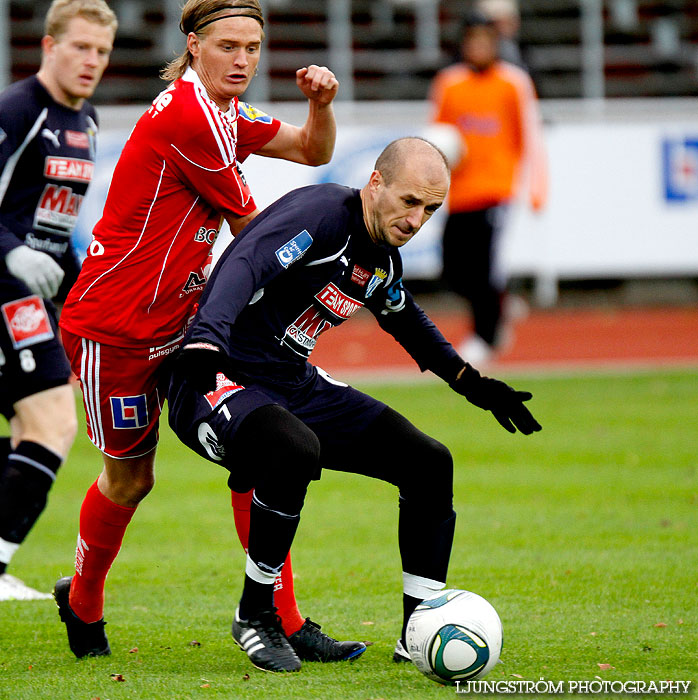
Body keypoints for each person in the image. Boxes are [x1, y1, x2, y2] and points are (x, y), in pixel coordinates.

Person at [53, 0, 362, 663]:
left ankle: (283, 618)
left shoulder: (225, 113)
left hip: (188, 326)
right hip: (119, 329)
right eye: (228, 46)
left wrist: (322, 104)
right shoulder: (192, 117)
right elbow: (253, 232)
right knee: (131, 481)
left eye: (252, 47)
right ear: (193, 46)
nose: (243, 60)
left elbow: (313, 150)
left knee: (260, 450)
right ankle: (81, 601)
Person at [166, 137, 542, 673]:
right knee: (294, 448)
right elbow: (247, 260)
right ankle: (255, 615)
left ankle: (419, 628)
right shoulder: (321, 216)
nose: (417, 220)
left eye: (430, 210)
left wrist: (471, 382)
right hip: (214, 377)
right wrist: (207, 337)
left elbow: (405, 317)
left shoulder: (381, 259)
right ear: (376, 183)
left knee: (429, 463)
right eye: (409, 201)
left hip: (291, 385)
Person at [0, 0, 116, 602]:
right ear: (48, 47)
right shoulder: (16, 111)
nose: (91, 61)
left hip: (36, 295)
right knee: (52, 423)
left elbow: (56, 225)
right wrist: (12, 252)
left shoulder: (87, 121)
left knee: (34, 430)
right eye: (79, 47)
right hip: (4, 289)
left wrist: (87, 292)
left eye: (101, 50)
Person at [430, 10, 547, 364]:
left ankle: (486, 336)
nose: (479, 47)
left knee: (482, 268)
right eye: (473, 40)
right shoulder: (449, 83)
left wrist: (535, 187)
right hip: (460, 191)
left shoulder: (513, 82)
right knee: (452, 268)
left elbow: (530, 136)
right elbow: (437, 136)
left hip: (497, 189)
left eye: (486, 40)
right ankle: (499, 303)